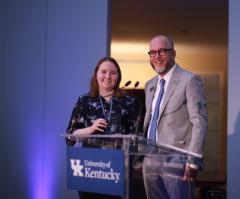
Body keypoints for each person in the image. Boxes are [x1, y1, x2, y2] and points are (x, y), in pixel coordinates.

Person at [142, 35, 208, 199]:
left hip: (177, 160)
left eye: (162, 51)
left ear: (174, 53)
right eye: (153, 53)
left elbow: (199, 122)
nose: (157, 57)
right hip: (150, 159)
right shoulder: (149, 85)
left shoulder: (190, 80)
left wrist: (193, 161)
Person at [66, 57, 140, 199]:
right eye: (103, 72)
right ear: (96, 74)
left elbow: (137, 138)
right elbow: (70, 137)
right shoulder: (84, 101)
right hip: (90, 166)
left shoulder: (130, 102)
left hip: (118, 168)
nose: (107, 76)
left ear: (118, 77)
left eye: (113, 73)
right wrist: (91, 128)